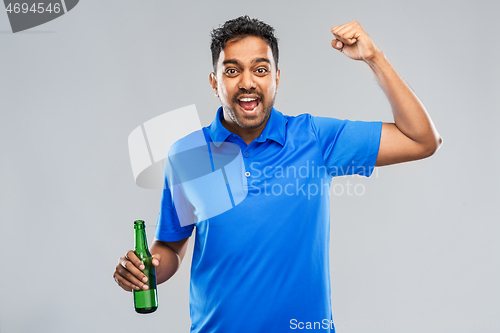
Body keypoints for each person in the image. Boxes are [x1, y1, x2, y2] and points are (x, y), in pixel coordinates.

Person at [113, 16, 442, 332]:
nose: (247, 82)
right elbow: (170, 247)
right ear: (215, 83)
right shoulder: (187, 154)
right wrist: (145, 271)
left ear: (276, 78)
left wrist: (375, 58)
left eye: (260, 69)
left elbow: (422, 140)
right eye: (232, 70)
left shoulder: (314, 138)